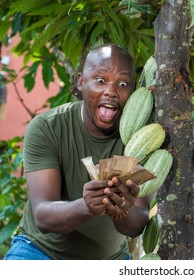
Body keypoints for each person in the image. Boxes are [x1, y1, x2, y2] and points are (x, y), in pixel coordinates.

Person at [4, 43, 152, 260]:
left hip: (109, 260)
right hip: (40, 251)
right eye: (101, 81)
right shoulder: (48, 127)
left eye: (122, 84)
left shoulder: (142, 139)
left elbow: (136, 224)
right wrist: (86, 207)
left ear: (132, 90)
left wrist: (121, 210)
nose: (110, 91)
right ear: (81, 82)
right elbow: (43, 217)